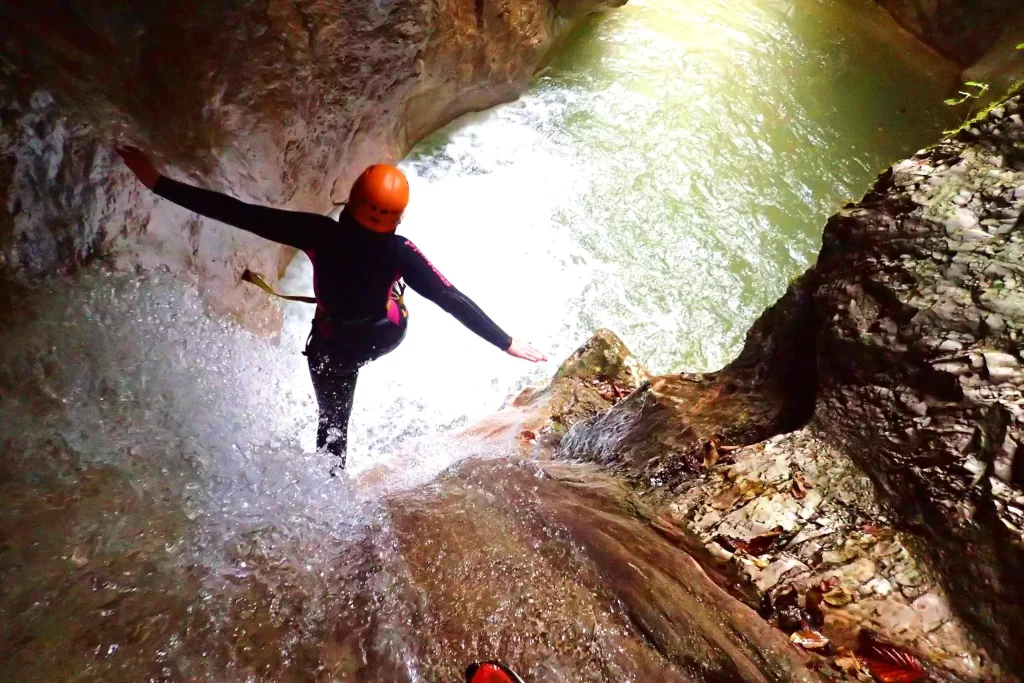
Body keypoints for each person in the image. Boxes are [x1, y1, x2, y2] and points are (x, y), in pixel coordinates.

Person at [117, 148, 547, 472]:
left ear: (352, 200)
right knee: (391, 297)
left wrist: (157, 182)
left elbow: (240, 213)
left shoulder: (318, 233)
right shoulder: (402, 251)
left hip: (334, 347)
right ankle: (388, 301)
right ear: (397, 218)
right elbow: (450, 298)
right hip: (387, 333)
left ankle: (330, 484)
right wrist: (506, 342)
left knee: (333, 422)